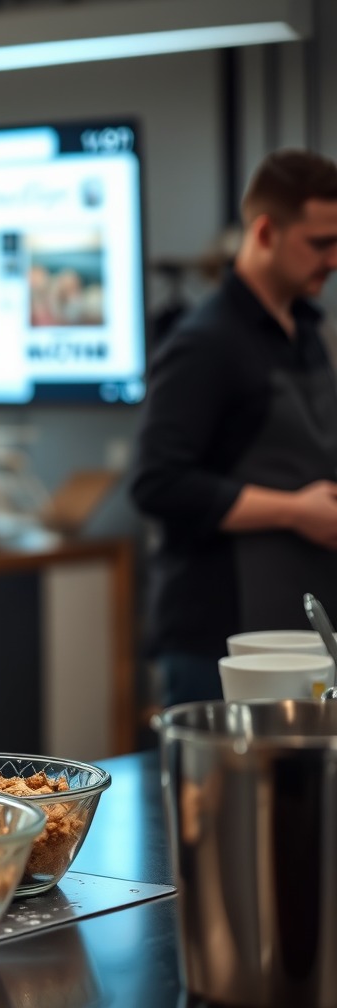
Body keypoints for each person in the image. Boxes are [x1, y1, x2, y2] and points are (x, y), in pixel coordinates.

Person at [130, 149, 337, 708]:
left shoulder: (308, 332)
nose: (334, 259)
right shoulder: (206, 342)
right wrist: (296, 511)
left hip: (295, 627)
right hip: (219, 639)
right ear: (265, 232)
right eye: (321, 243)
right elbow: (157, 483)